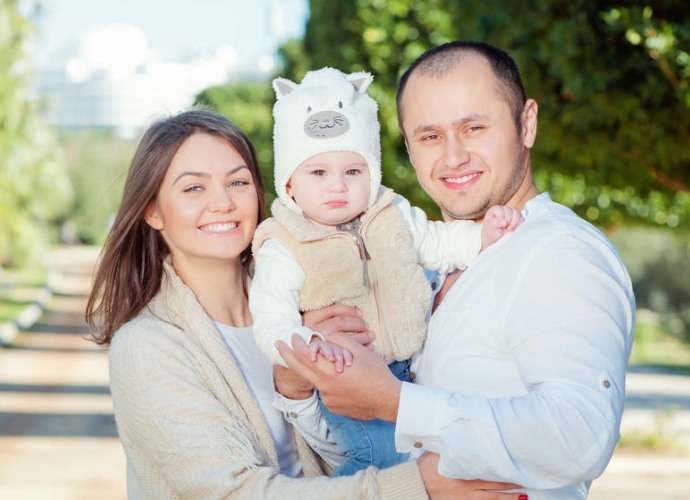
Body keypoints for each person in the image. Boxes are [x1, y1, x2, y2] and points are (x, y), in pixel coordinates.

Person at [85, 108, 527, 499]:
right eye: (193, 189)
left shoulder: (308, 303)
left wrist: (297, 391)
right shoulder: (147, 348)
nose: (222, 203)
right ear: (153, 211)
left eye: (238, 182)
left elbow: (342, 455)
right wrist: (415, 487)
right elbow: (230, 493)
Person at [275, 41, 636, 500]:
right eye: (429, 137)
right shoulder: (418, 268)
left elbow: (580, 436)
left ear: (526, 124)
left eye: (474, 127)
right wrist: (305, 383)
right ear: (408, 147)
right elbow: (372, 456)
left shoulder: (560, 251)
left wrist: (394, 402)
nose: (453, 156)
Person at [249, 66, 523, 477]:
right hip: (347, 372)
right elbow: (271, 320)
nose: (337, 186)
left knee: (421, 452)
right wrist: (310, 344)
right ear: (289, 185)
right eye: (318, 173)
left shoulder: (391, 213)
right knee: (380, 461)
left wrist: (483, 236)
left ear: (372, 173)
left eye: (353, 172)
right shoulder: (284, 243)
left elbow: (438, 243)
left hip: (407, 371)